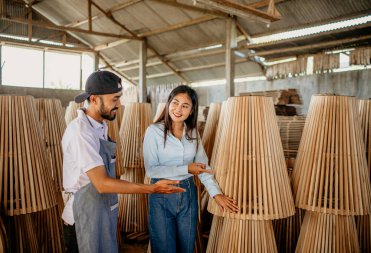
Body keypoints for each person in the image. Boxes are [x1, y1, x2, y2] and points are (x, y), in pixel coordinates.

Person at [61, 70, 184, 253]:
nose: (119, 104)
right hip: (83, 218)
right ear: (94, 99)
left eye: (119, 98)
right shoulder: (81, 132)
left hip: (101, 213)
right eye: (114, 99)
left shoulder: (100, 125)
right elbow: (102, 184)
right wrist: (152, 188)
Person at [143, 85, 239, 253]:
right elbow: (152, 170)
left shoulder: (193, 132)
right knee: (164, 248)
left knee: (186, 247)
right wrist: (187, 168)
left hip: (188, 195)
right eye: (175, 103)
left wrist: (216, 194)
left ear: (191, 110)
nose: (178, 109)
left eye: (185, 106)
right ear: (168, 104)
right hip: (161, 194)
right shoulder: (154, 132)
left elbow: (203, 167)